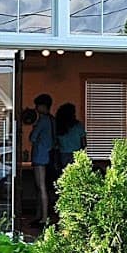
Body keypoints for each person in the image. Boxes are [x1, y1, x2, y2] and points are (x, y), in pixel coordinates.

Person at [28, 94, 54, 226]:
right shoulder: (52, 120)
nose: (36, 108)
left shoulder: (43, 121)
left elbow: (32, 137)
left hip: (40, 156)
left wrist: (33, 128)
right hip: (48, 156)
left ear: (43, 106)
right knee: (43, 187)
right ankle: (40, 215)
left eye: (38, 105)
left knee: (41, 187)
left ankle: (43, 217)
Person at [51, 102, 86, 186]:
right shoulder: (78, 126)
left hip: (63, 155)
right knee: (76, 179)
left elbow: (56, 145)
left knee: (64, 179)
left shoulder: (59, 127)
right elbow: (84, 143)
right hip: (77, 154)